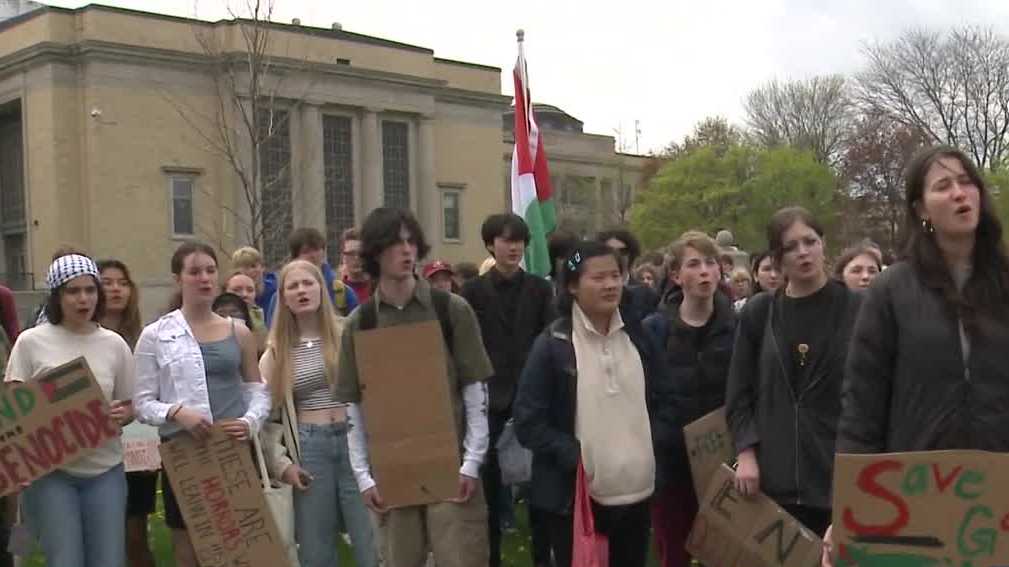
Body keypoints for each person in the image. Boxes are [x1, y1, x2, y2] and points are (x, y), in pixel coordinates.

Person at [823, 146, 1009, 566]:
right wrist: (848, 508)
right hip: (913, 495)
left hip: (997, 495)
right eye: (944, 186)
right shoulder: (891, 291)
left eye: (967, 182)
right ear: (921, 208)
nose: (961, 193)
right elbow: (862, 408)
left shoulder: (1005, 283)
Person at [333, 208, 493, 567]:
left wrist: (471, 463)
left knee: (461, 559)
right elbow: (353, 407)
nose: (407, 251)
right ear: (375, 252)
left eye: (411, 242)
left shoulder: (450, 310)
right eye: (395, 243)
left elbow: (475, 390)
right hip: (392, 472)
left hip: (451, 468)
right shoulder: (362, 323)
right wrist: (363, 476)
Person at [513, 241, 677, 567]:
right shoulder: (553, 346)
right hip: (577, 499)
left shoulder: (639, 337)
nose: (611, 285)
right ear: (573, 285)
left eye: (616, 275)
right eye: (598, 278)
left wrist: (649, 445)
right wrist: (576, 457)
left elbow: (667, 400)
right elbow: (528, 421)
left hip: (638, 492)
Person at [726, 207, 861, 537]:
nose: (803, 252)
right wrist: (746, 453)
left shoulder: (859, 308)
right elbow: (739, 392)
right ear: (777, 257)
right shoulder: (761, 312)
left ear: (823, 245)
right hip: (775, 477)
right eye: (790, 246)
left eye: (810, 241)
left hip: (837, 475)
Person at [134, 241, 270, 567]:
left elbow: (257, 390)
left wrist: (250, 421)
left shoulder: (238, 332)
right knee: (188, 543)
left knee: (239, 546)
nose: (204, 278)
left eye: (210, 270)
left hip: (231, 451)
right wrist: (177, 412)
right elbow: (142, 403)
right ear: (178, 279)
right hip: (185, 453)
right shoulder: (155, 335)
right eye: (194, 272)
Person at [5, 254, 135, 567]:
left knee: (108, 560)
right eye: (73, 291)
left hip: (106, 471)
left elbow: (130, 405)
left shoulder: (115, 344)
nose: (83, 299)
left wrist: (123, 414)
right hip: (51, 475)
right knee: (65, 560)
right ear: (56, 296)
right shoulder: (30, 343)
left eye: (90, 290)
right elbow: (13, 410)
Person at [260, 260, 378, 567]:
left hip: (355, 444)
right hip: (310, 448)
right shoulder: (275, 352)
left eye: (308, 283)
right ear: (283, 297)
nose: (302, 291)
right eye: (293, 286)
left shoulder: (348, 334)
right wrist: (282, 464)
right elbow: (266, 420)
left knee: (372, 539)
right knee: (315, 548)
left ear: (321, 289)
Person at [461, 213, 557, 567]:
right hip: (488, 404)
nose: (513, 247)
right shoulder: (471, 292)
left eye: (519, 241)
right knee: (489, 496)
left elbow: (549, 340)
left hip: (532, 403)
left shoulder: (539, 289)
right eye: (505, 240)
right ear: (490, 244)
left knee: (539, 495)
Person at [643, 232, 737, 567]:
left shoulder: (737, 327)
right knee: (674, 551)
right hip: (671, 463)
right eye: (694, 264)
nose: (704, 272)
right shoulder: (654, 330)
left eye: (711, 263)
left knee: (728, 553)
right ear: (675, 275)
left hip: (725, 461)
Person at [97, 259, 153, 567]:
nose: (116, 289)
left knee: (135, 534)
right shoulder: (83, 338)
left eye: (122, 282)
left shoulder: (146, 337)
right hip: (94, 451)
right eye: (107, 282)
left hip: (140, 449)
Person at [263, 228, 359, 325]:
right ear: (295, 256)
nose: (313, 255)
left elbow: (355, 332)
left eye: (317, 250)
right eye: (306, 251)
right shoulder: (281, 297)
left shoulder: (342, 291)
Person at [597, 229, 659, 321]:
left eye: (622, 251)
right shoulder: (590, 291)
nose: (616, 255)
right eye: (609, 250)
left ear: (631, 254)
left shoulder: (647, 295)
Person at [223, 271, 267, 351]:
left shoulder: (258, 319)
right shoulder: (216, 320)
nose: (244, 294)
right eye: (236, 290)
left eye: (250, 290)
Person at [232, 245, 270, 313]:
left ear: (262, 267)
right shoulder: (233, 294)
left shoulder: (275, 292)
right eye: (246, 267)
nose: (250, 271)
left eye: (253, 266)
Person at [340, 227, 372, 304]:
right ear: (343, 257)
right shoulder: (337, 291)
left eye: (360, 253)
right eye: (351, 253)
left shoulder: (379, 289)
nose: (356, 258)